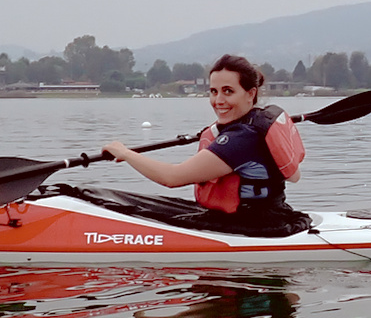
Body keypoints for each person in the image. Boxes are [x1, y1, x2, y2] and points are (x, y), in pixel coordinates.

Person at [103, 55, 297, 219]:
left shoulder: (242, 138)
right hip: (268, 215)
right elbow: (295, 175)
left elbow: (172, 178)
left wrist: (126, 153)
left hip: (254, 227)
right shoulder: (256, 123)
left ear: (250, 93)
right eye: (214, 92)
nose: (218, 101)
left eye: (228, 91)